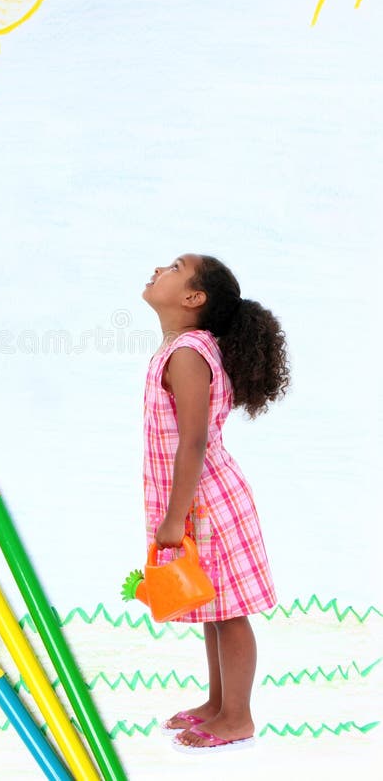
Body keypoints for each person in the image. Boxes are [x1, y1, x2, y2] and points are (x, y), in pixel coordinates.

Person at [141, 253, 290, 752]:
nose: (158, 267)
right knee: (212, 604)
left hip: (206, 502)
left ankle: (237, 717)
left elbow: (194, 442)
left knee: (229, 613)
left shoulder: (187, 352)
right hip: (199, 498)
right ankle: (218, 703)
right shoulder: (184, 347)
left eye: (174, 266)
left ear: (193, 298)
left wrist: (174, 516)